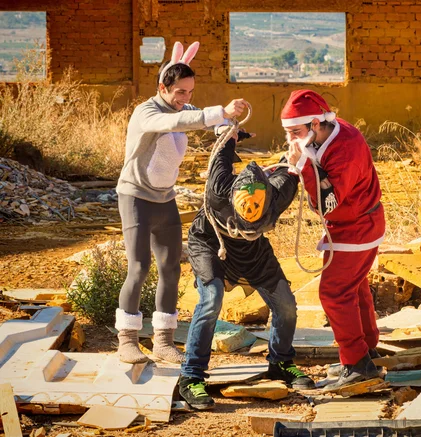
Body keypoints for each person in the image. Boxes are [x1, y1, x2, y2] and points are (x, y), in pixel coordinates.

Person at [114, 41, 247, 364]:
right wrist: (219, 113)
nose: (185, 99)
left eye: (189, 92)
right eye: (180, 92)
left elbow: (200, 120)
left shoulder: (183, 108)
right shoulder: (147, 112)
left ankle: (163, 341)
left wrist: (229, 126)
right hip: (135, 196)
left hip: (164, 198)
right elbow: (175, 124)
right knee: (139, 266)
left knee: (170, 267)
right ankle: (127, 339)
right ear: (163, 87)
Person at [179, 129, 315, 410]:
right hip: (210, 243)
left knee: (286, 305)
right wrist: (230, 134)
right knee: (211, 299)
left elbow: (289, 166)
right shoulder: (218, 190)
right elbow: (221, 154)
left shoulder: (280, 193)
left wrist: (296, 150)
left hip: (253, 252)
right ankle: (191, 377)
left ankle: (281, 363)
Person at [282, 89, 385, 391]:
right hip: (356, 225)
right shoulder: (329, 133)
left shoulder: (346, 149)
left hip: (355, 228)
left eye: (296, 133)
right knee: (355, 286)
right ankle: (366, 349)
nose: (293, 141)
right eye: (288, 134)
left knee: (334, 293)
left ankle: (356, 365)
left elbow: (327, 202)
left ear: (315, 124)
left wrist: (302, 166)